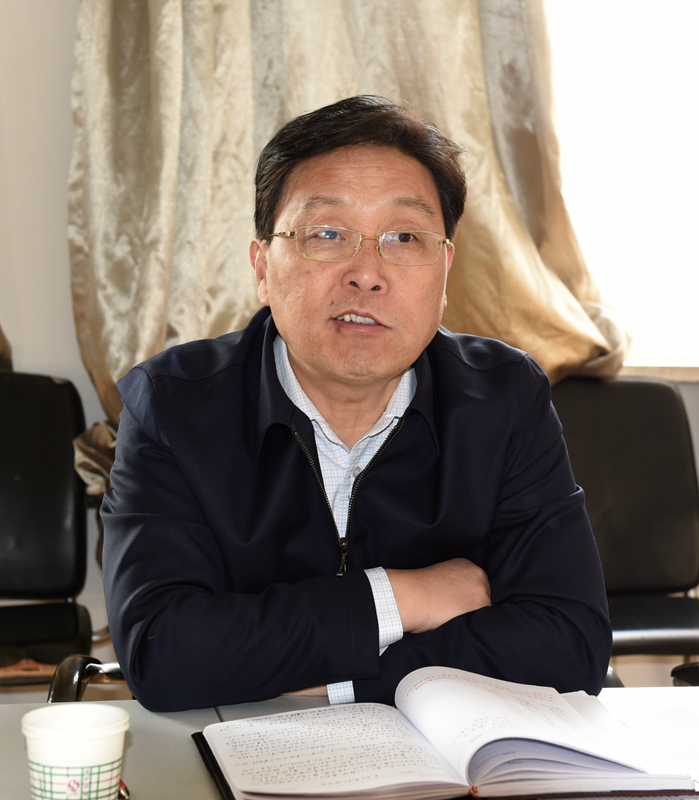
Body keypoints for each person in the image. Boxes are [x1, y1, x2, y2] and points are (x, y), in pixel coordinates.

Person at [102, 95, 611, 712]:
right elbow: (164, 653)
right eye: (327, 234)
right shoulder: (173, 405)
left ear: (444, 273)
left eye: (404, 236)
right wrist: (404, 598)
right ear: (262, 268)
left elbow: (570, 642)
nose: (367, 273)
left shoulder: (503, 398)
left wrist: (339, 680)